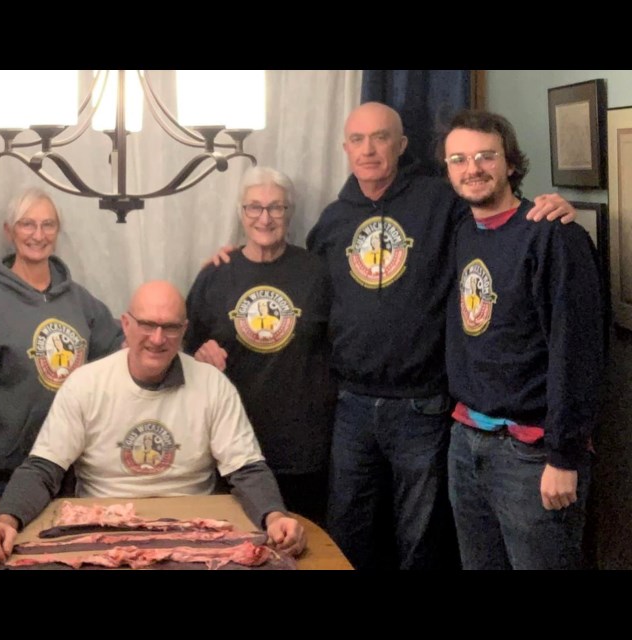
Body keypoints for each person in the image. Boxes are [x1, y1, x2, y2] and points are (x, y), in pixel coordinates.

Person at [209, 102, 576, 570]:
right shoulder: (333, 220)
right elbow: (296, 279)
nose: (369, 149)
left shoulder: (440, 200)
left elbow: (496, 214)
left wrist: (549, 205)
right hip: (350, 404)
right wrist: (233, 261)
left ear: (401, 146)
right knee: (346, 531)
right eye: (357, 140)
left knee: (421, 537)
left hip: (422, 404)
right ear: (345, 149)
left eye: (381, 137)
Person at [0, 280, 306, 563]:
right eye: (147, 324)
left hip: (193, 533)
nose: (157, 338)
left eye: (170, 327)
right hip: (101, 533)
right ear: (126, 324)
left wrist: (275, 515)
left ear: (184, 330)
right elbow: (42, 469)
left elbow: (247, 470)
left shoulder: (212, 385)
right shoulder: (86, 384)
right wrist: (6, 519)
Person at [440, 110, 603, 569]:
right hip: (467, 442)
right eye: (458, 159)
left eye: (485, 156)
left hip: (532, 456)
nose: (472, 168)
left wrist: (565, 456)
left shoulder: (553, 235)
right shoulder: (463, 234)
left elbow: (578, 352)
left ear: (510, 163)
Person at [0, 187, 123, 519]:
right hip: (5, 483)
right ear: (9, 232)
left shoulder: (79, 301)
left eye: (48, 225)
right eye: (27, 224)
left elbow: (121, 356)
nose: (38, 235)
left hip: (72, 478)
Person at [185, 166, 335, 525]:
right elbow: (183, 350)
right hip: (233, 447)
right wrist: (198, 355)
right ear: (241, 213)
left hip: (303, 447)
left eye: (276, 208)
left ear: (290, 213)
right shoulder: (215, 274)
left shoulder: (317, 272)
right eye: (254, 207)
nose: (264, 218)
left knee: (303, 545)